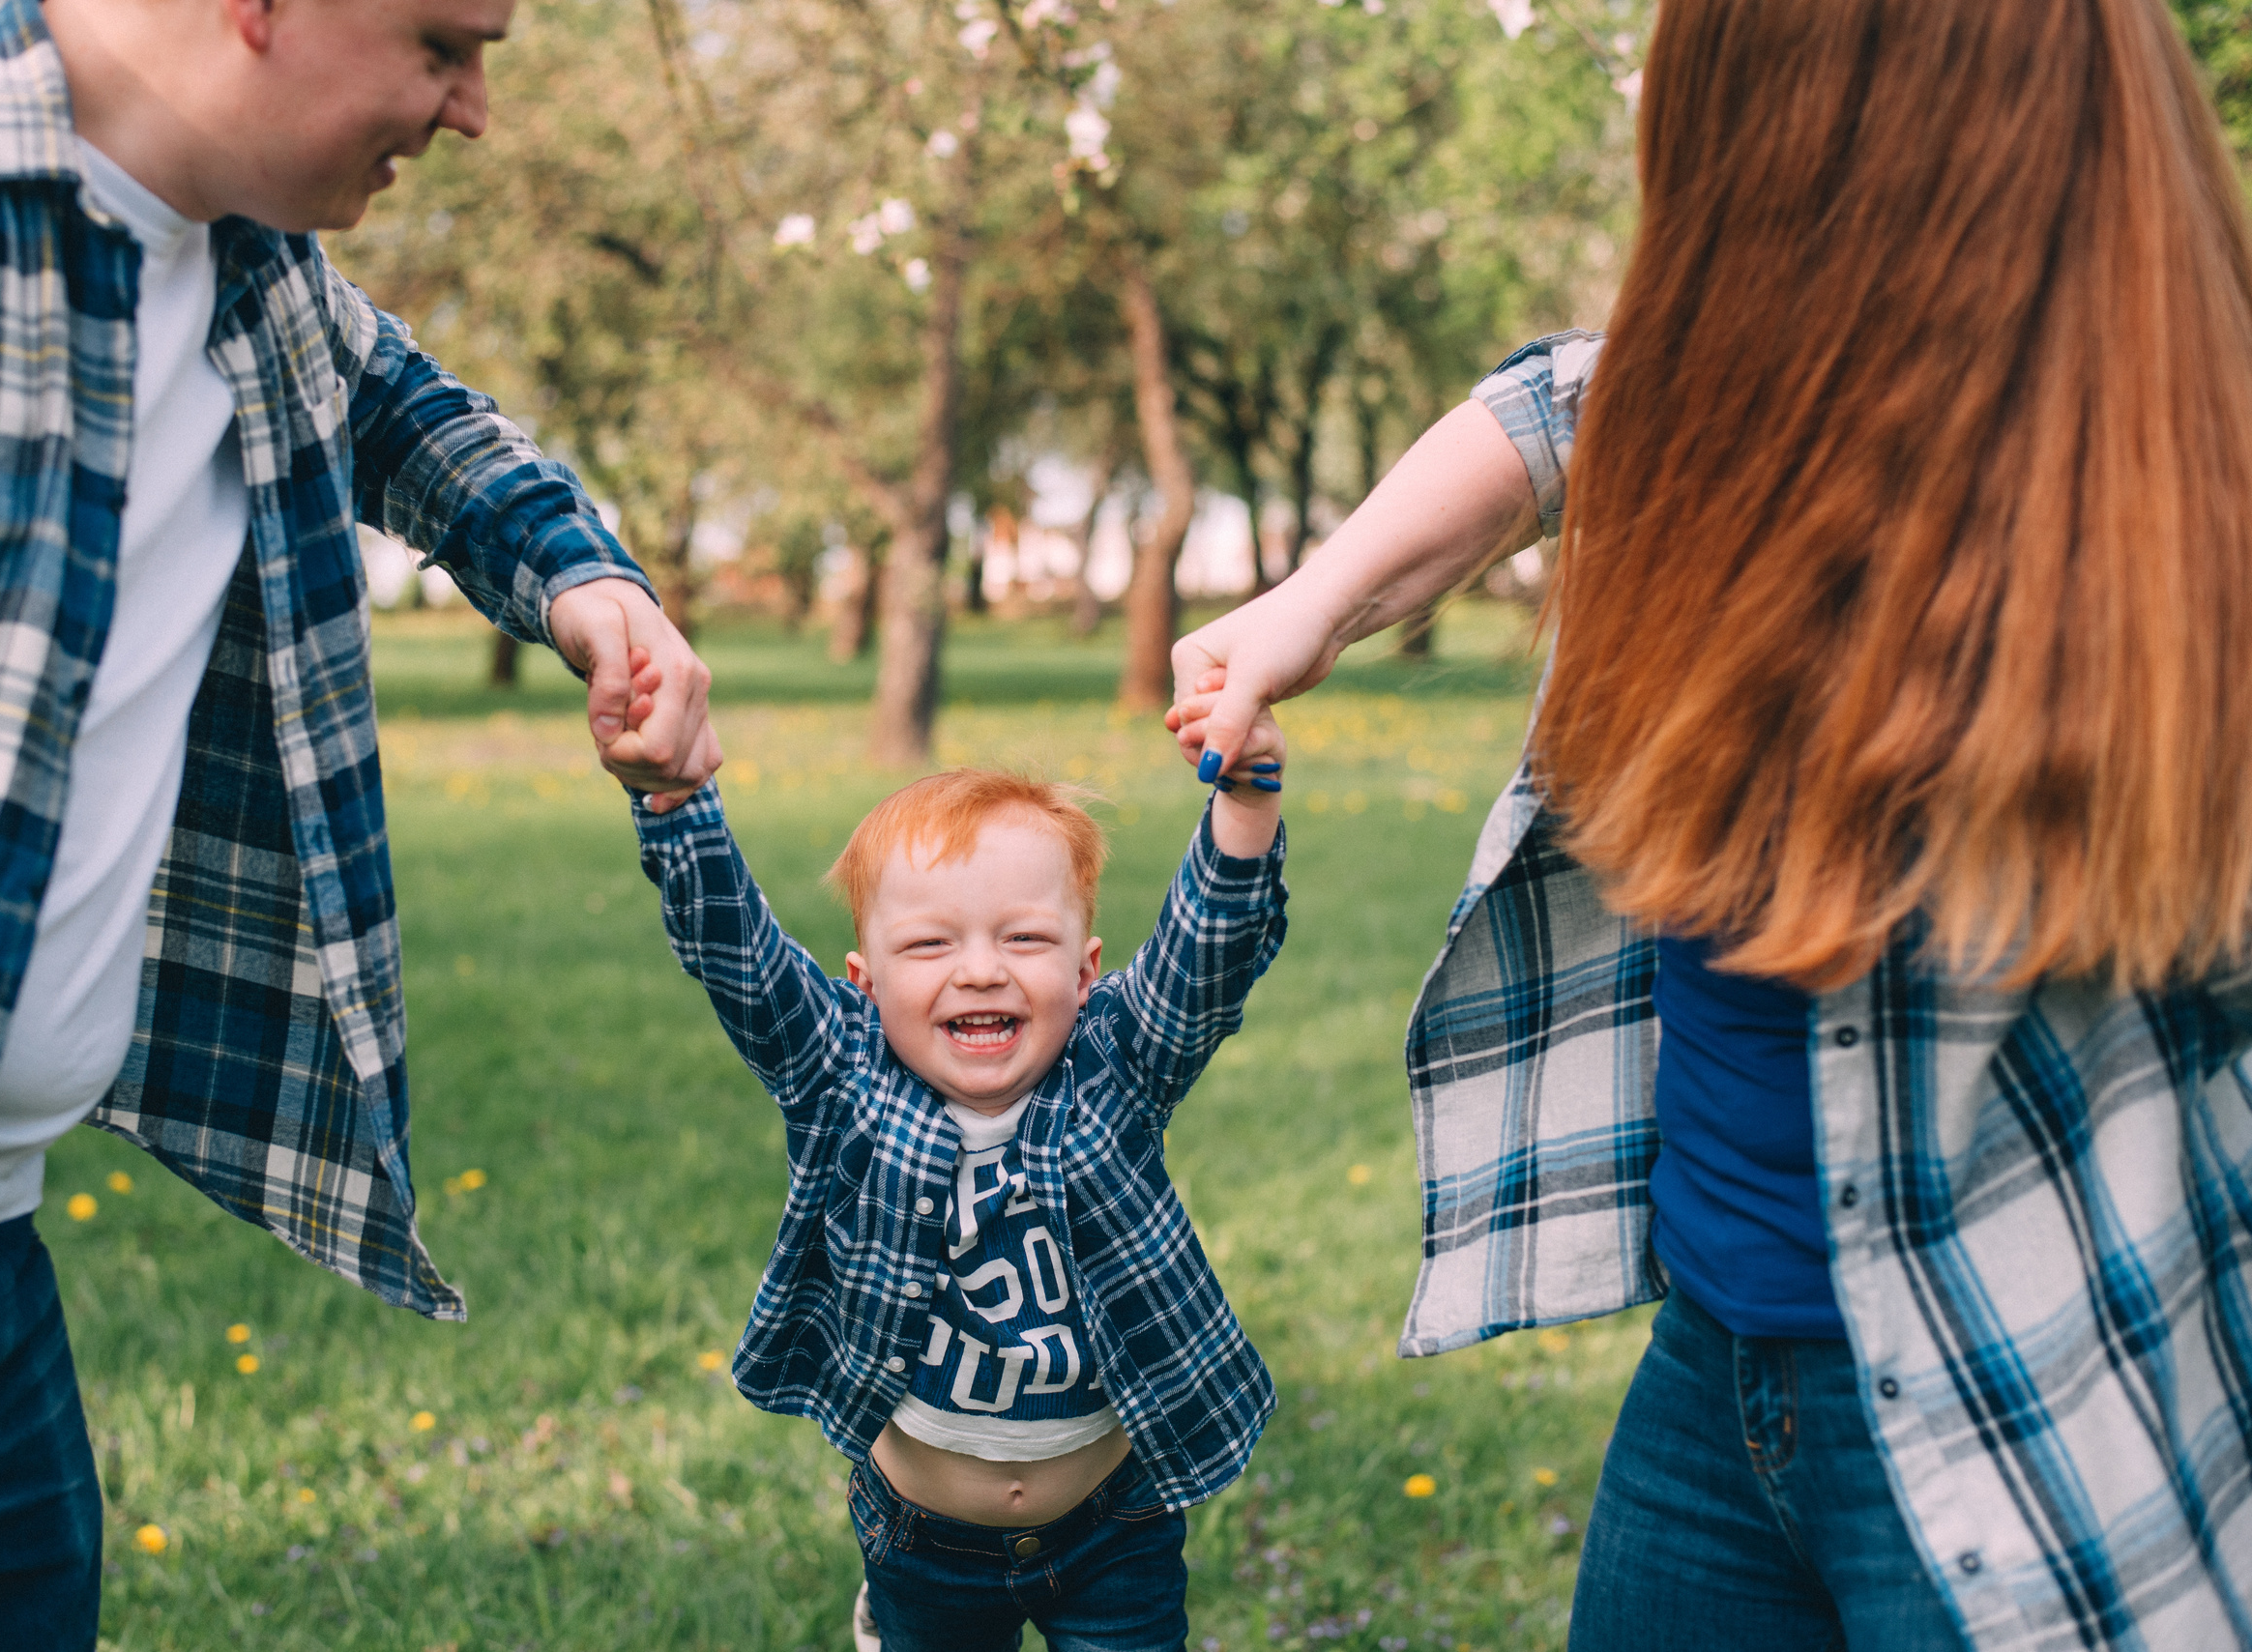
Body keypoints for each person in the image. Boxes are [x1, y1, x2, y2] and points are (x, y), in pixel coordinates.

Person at [1166, 1, 2252, 1647]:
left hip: (2033, 1407)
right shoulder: (1728, 423)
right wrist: (1309, 602)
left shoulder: (2177, 517)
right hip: (1720, 1385)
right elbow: (1556, 405)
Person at [0, 0, 718, 1641]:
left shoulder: (242, 257)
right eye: (442, 43)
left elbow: (404, 412)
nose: (473, 108)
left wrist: (585, 581)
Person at [629, 749, 1289, 1652]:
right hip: (923, 1540)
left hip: (1114, 1525)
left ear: (1085, 970)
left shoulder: (1117, 1064)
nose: (980, 970)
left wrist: (1246, 792)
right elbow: (737, 954)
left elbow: (1210, 950)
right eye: (930, 943)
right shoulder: (842, 1075)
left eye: (1024, 938)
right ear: (865, 983)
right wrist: (674, 798)